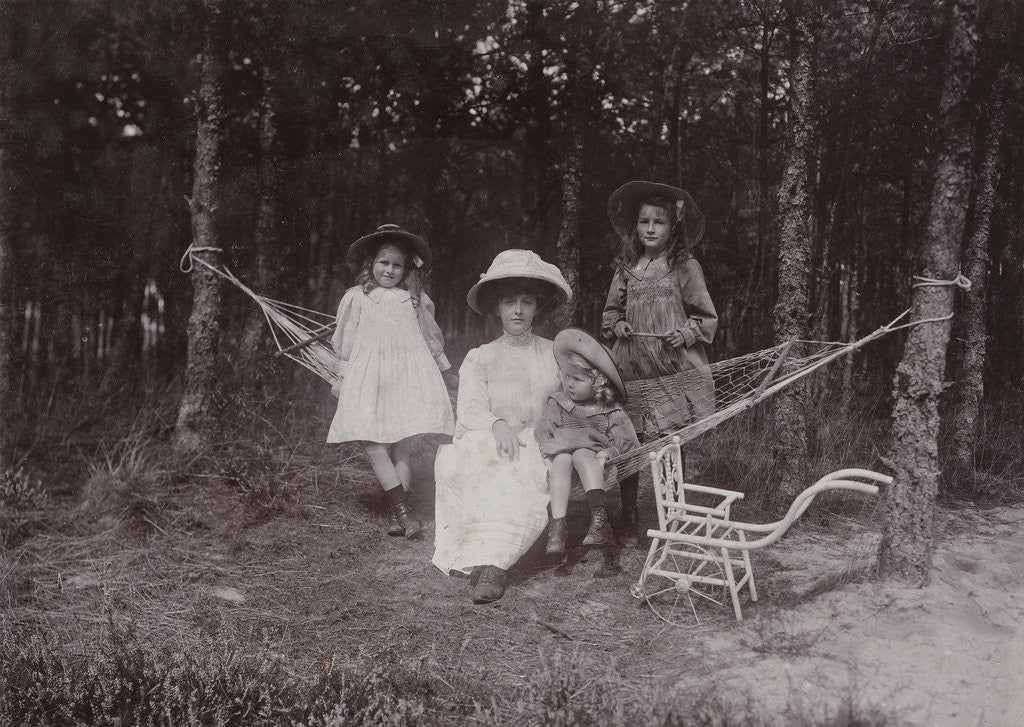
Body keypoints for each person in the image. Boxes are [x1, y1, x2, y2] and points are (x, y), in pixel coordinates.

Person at [432, 249, 572, 604]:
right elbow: (470, 408)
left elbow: (569, 398)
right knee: (472, 460)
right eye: (510, 302)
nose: (518, 311)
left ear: (537, 307)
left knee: (519, 468)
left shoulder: (554, 352)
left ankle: (494, 567)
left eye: (527, 302)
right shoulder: (481, 357)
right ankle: (480, 552)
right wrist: (497, 424)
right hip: (494, 437)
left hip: (541, 439)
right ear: (497, 308)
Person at [602, 181, 718, 547]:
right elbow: (610, 313)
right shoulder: (625, 269)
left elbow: (705, 317)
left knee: (670, 444)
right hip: (631, 368)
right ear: (634, 227)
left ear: (673, 228)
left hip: (671, 370)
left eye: (660, 222)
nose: (650, 229)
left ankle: (674, 516)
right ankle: (628, 520)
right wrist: (617, 323)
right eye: (644, 222)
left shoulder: (685, 267)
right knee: (629, 442)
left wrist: (685, 334)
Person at [327, 224, 455, 540]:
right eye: (383, 262)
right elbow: (346, 343)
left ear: (406, 268)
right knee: (373, 444)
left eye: (397, 265)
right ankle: (404, 514)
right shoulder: (356, 298)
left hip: (406, 379)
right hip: (369, 379)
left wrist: (445, 373)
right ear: (370, 264)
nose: (390, 270)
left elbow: (431, 339)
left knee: (402, 447)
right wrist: (341, 377)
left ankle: (401, 517)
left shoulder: (414, 300)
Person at [534, 328, 639, 555]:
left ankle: (599, 520)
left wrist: (606, 454)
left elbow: (628, 442)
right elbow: (542, 431)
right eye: (565, 377)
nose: (568, 384)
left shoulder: (610, 410)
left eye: (577, 379)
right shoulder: (559, 401)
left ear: (597, 381)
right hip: (561, 462)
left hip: (594, 464)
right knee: (561, 459)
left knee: (582, 454)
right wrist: (546, 457)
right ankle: (558, 527)